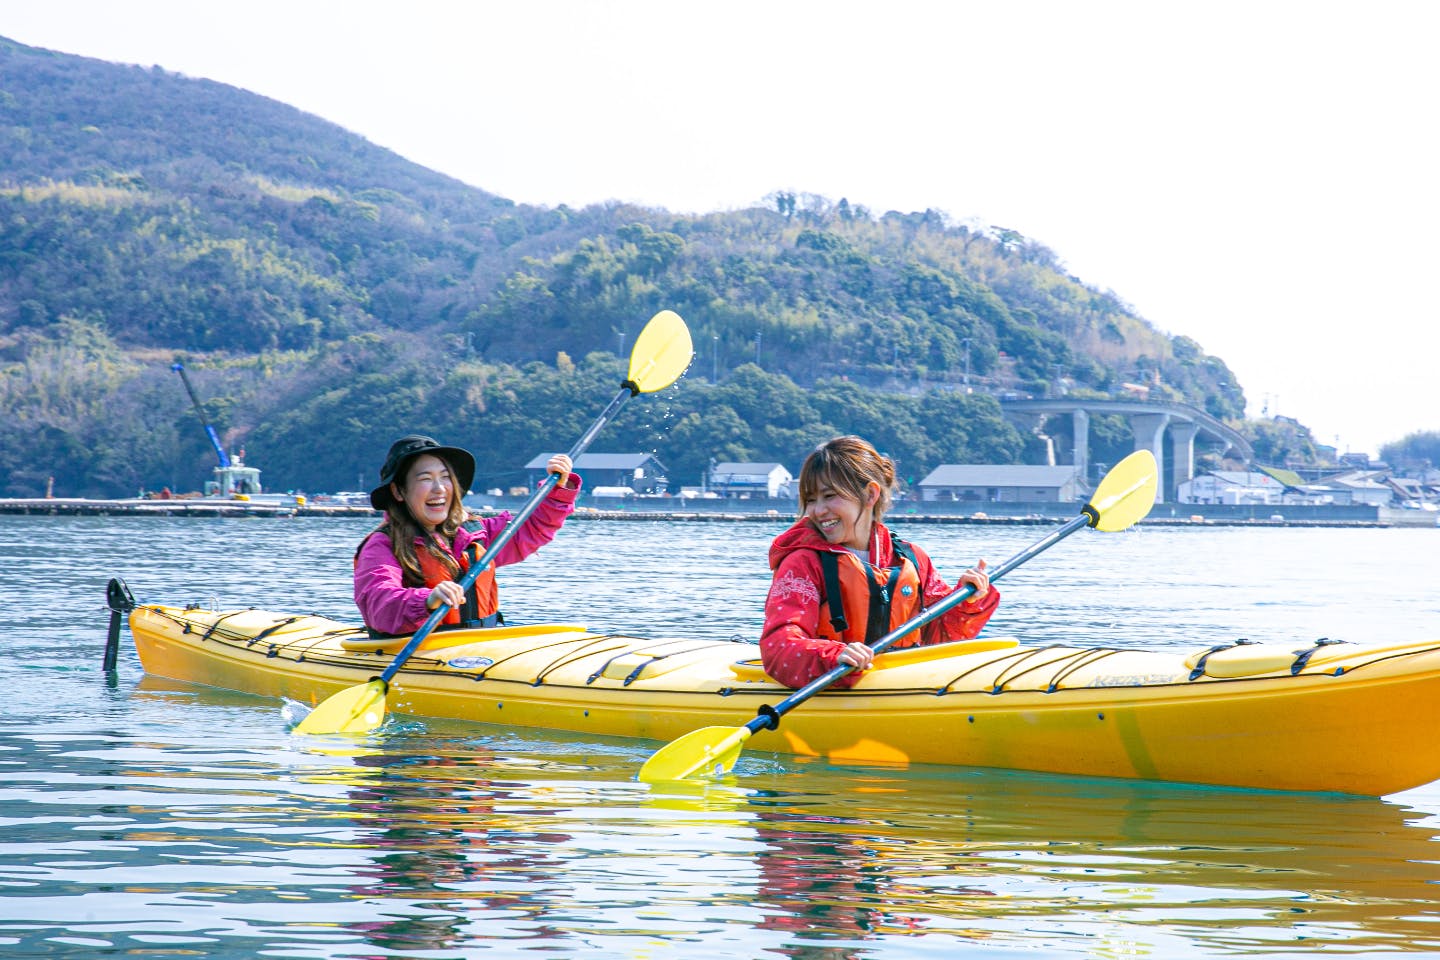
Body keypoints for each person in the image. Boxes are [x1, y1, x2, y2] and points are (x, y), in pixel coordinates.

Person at [760, 435, 999, 688]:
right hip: (833, 687)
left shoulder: (912, 560)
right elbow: (779, 646)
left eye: (829, 496)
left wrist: (967, 600)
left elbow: (939, 638)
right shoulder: (803, 563)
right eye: (811, 500)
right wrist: (833, 656)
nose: (818, 511)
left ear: (870, 494)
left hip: (901, 685)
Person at [354, 434, 580, 636]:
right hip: (420, 655)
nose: (439, 488)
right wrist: (427, 600)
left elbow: (533, 527)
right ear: (398, 491)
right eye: (425, 479)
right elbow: (379, 602)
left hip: (478, 649)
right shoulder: (381, 546)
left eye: (444, 477)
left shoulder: (476, 532)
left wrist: (557, 489)